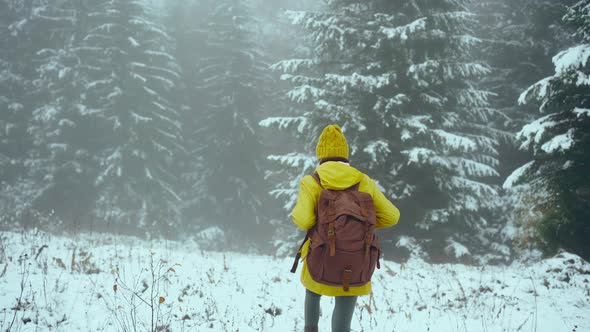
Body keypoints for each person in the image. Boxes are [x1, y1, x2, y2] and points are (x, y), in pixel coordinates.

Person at [292, 124, 400, 332]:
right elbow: (392, 216)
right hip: (357, 257)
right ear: (345, 155)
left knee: (313, 289)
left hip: (321, 254)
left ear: (320, 155)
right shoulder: (363, 181)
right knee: (347, 294)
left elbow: (304, 220)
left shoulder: (311, 181)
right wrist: (361, 224)